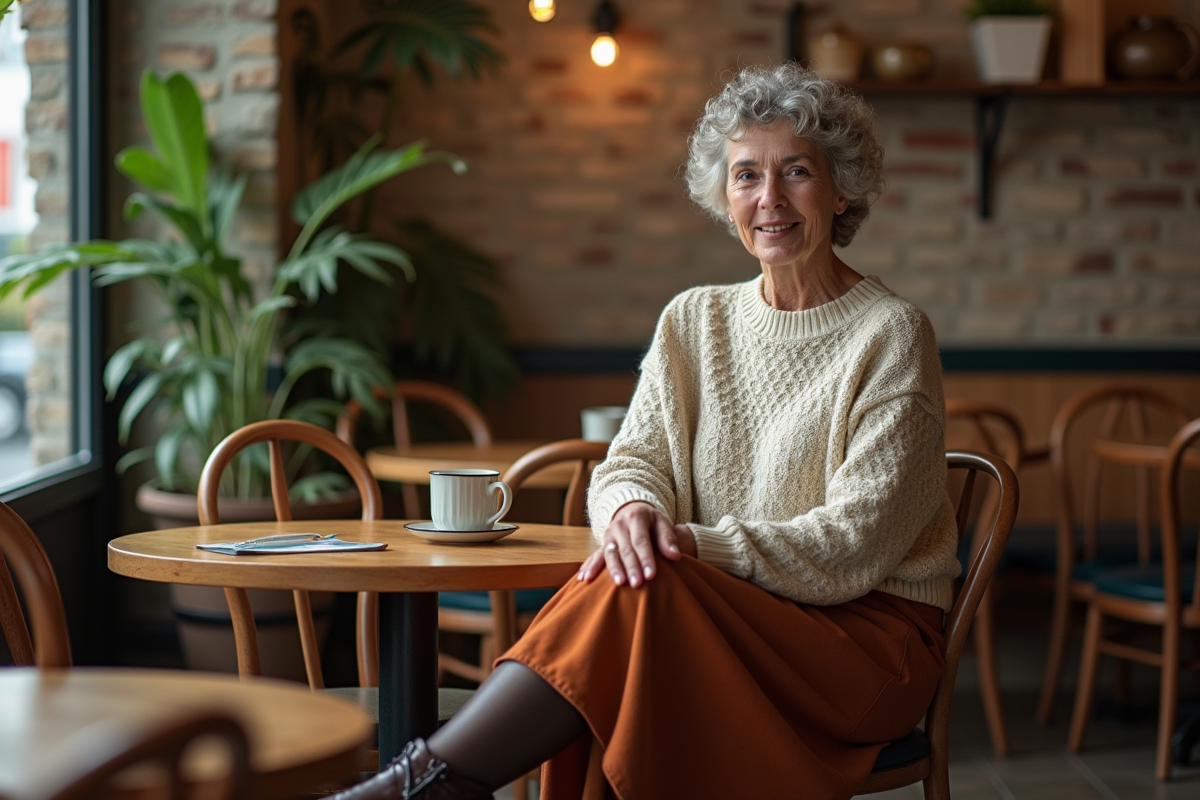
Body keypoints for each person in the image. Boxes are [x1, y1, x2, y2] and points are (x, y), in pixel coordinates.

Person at [331, 62, 962, 800]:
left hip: (863, 646)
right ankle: (434, 784)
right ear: (723, 196)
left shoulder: (892, 333)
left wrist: (691, 543)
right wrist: (631, 510)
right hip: (710, 613)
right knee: (636, 576)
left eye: (796, 171)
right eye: (746, 176)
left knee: (644, 584)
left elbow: (858, 543)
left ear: (841, 186)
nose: (769, 199)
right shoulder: (694, 319)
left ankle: (424, 781)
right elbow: (631, 461)